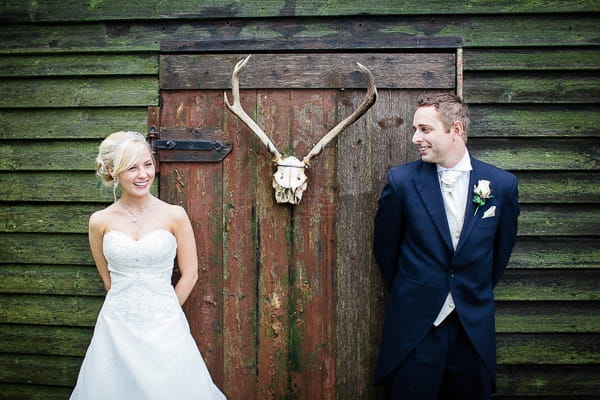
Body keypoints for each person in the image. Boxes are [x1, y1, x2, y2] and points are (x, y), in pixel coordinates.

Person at [373, 94, 519, 399]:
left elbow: (500, 253)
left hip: (472, 327)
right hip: (416, 328)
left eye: (425, 130)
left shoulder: (501, 185)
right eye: (415, 129)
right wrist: (418, 289)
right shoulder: (401, 182)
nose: (416, 138)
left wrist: (470, 289)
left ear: (455, 130)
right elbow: (385, 251)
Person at [70, 131, 226, 400]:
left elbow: (190, 273)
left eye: (147, 164)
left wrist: (166, 309)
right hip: (117, 326)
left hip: (165, 322)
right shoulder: (99, 221)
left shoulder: (174, 215)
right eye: (132, 167)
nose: (142, 174)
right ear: (113, 171)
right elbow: (108, 279)